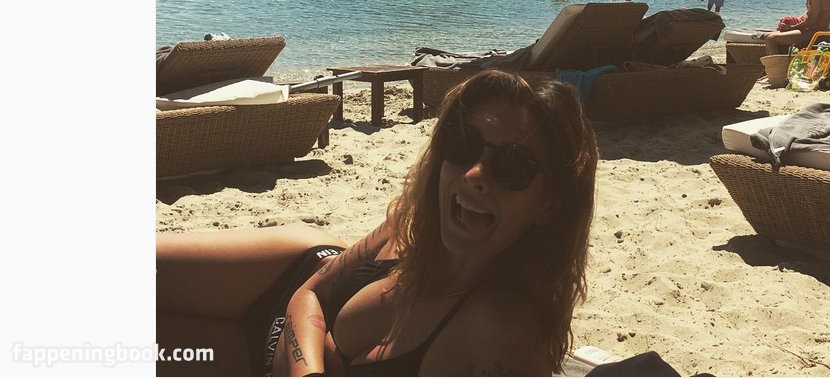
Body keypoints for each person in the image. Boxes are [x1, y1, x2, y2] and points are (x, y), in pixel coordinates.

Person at [156, 70, 598, 376]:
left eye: (514, 166)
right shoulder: (413, 222)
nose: (474, 174)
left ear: (550, 205)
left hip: (252, 358)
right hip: (284, 272)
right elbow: (308, 291)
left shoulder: (500, 334)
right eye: (463, 143)